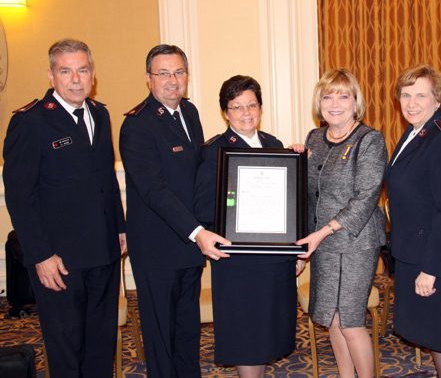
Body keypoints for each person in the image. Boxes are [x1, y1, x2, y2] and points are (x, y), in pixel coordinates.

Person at [3, 39, 126, 377]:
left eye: (82, 70)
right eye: (66, 71)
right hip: (59, 261)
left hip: (103, 253)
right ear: (51, 75)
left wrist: (120, 227)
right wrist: (40, 255)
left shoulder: (100, 114)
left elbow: (107, 179)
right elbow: (19, 196)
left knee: (101, 343)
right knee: (67, 347)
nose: (76, 79)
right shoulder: (30, 123)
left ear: (93, 74)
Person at [119, 44, 230, 378]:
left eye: (178, 72)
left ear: (187, 75)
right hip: (157, 247)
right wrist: (198, 232)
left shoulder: (190, 113)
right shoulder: (137, 125)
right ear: (149, 79)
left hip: (188, 244)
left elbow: (197, 175)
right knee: (161, 334)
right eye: (163, 73)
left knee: (186, 327)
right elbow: (154, 190)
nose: (172, 80)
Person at [194, 75, 305, 377]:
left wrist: (294, 250)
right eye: (237, 107)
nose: (246, 113)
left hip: (274, 258)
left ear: (261, 107)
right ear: (225, 112)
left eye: (251, 105)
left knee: (270, 331)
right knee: (246, 337)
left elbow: (290, 205)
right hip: (238, 261)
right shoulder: (214, 151)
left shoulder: (276, 145)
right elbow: (203, 208)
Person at [296, 69, 387, 378]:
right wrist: (295, 162)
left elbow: (366, 197)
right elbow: (309, 195)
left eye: (343, 96)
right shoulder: (314, 139)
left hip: (355, 242)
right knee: (331, 319)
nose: (334, 103)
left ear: (355, 101)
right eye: (327, 96)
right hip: (322, 244)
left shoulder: (369, 140)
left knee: (349, 320)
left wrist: (320, 234)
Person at [387, 65, 441, 377]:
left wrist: (432, 269)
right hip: (418, 251)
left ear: (437, 99)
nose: (411, 102)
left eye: (420, 95)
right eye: (405, 94)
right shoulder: (416, 132)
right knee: (434, 333)